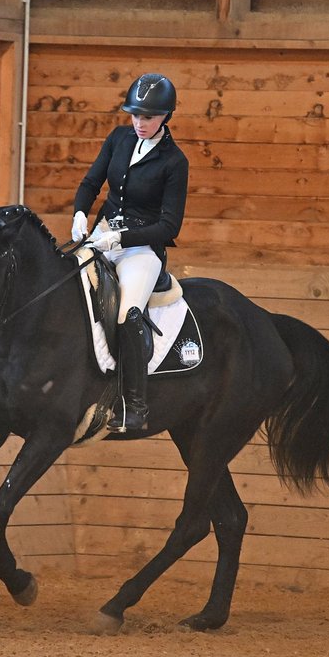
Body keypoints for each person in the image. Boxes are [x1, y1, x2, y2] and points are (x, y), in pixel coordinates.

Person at [71, 72, 189, 432]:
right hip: (102, 234)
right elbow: (92, 182)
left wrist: (120, 240)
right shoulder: (119, 138)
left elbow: (170, 227)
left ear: (165, 116)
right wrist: (79, 213)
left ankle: (135, 405)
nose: (139, 123)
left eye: (148, 117)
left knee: (127, 313)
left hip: (141, 251)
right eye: (135, 115)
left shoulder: (175, 162)